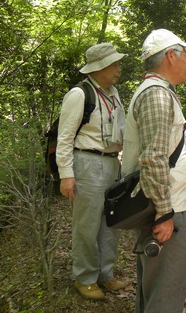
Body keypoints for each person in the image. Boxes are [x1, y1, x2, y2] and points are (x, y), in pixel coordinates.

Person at [121, 29, 186, 313]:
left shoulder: (159, 91)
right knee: (166, 292)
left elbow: (164, 151)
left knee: (156, 287)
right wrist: (165, 213)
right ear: (170, 55)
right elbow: (153, 158)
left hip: (164, 203)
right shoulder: (156, 94)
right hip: (166, 208)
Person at [56, 42, 127, 300]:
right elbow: (65, 137)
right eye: (115, 64)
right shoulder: (79, 94)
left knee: (110, 222)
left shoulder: (113, 93)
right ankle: (85, 277)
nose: (119, 68)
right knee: (86, 225)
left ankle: (105, 275)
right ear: (100, 67)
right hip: (86, 162)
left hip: (111, 162)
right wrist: (66, 174)